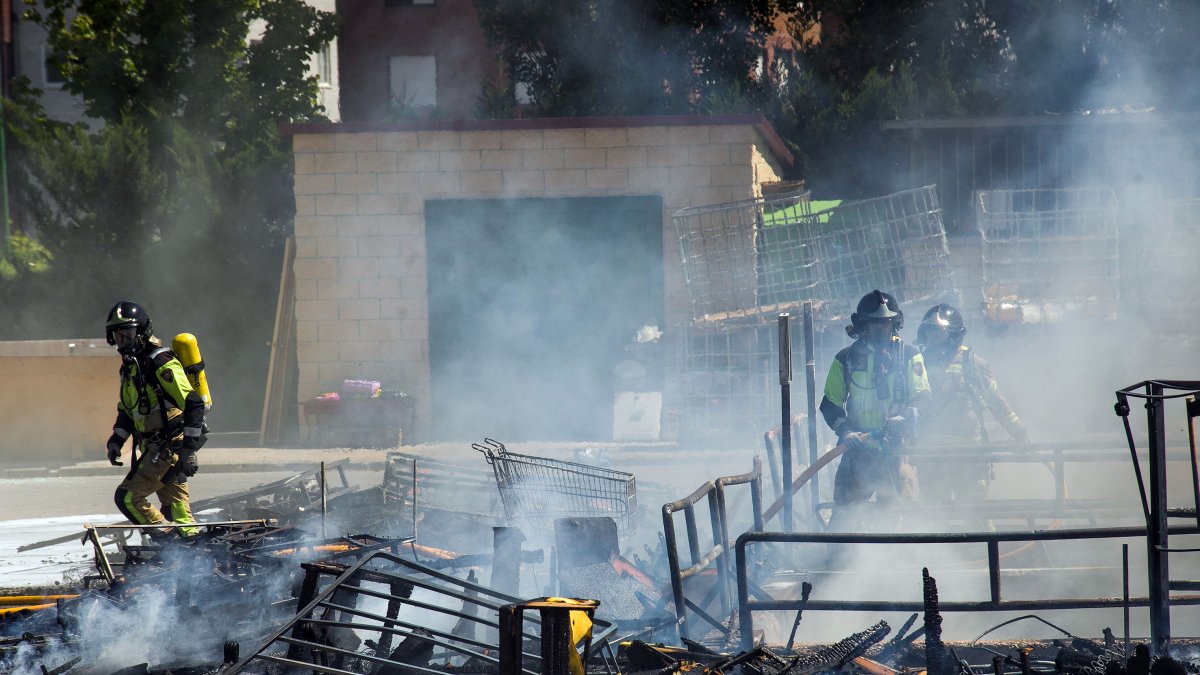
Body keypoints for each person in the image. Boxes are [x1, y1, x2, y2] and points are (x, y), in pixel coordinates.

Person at [820, 290, 931, 531]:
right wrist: (846, 431)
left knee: (898, 517)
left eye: (886, 323)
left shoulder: (910, 356)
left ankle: (899, 564)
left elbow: (923, 398)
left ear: (895, 324)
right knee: (844, 516)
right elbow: (830, 404)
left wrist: (903, 418)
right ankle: (838, 561)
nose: (881, 329)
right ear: (862, 325)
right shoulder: (846, 359)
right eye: (875, 323)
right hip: (857, 452)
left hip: (897, 451)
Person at [104, 301, 205, 540]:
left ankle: (173, 549)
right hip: (153, 447)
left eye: (127, 334)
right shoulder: (129, 369)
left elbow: (193, 402)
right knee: (178, 512)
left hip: (168, 446)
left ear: (142, 332)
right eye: (118, 336)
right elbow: (128, 411)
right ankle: (198, 559)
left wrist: (189, 450)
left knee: (128, 498)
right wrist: (116, 440)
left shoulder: (160, 361)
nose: (123, 341)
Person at [914, 303, 1029, 503]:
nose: (933, 340)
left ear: (953, 335)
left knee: (975, 515)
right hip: (932, 459)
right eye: (930, 333)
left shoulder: (973, 364)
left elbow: (997, 403)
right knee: (934, 518)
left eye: (939, 334)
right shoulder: (918, 365)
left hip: (970, 459)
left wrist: (1019, 434)